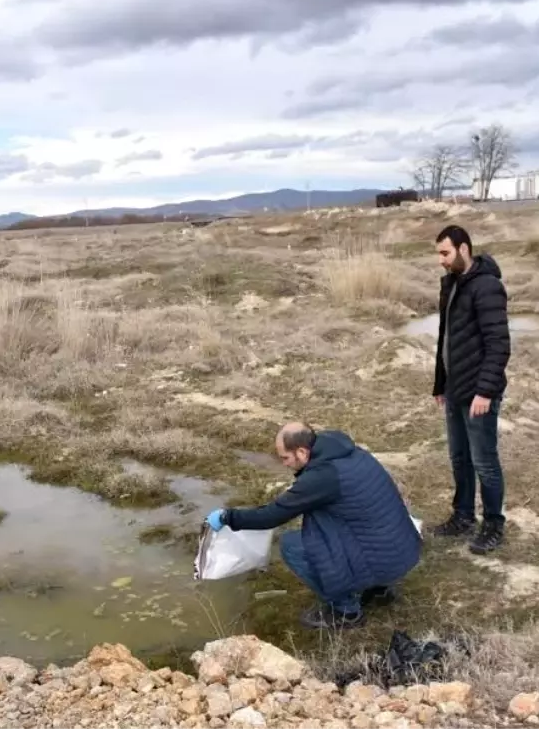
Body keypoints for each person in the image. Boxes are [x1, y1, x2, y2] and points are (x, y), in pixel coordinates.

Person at [205, 422, 422, 630]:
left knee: (292, 545)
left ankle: (346, 611)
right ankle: (378, 590)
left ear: (301, 452)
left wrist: (227, 517)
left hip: (385, 560)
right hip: (402, 550)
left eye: (285, 458)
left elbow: (270, 516)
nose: (284, 464)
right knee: (335, 525)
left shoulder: (321, 478)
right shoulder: (348, 453)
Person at [429, 224, 511, 554]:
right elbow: (445, 339)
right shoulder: (451, 284)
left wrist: (486, 392)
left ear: (464, 249)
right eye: (439, 254)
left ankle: (493, 524)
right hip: (455, 389)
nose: (441, 261)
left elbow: (499, 345)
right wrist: (440, 383)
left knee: (484, 461)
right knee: (459, 458)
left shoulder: (487, 287)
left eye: (445, 253)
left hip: (479, 393)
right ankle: (463, 516)